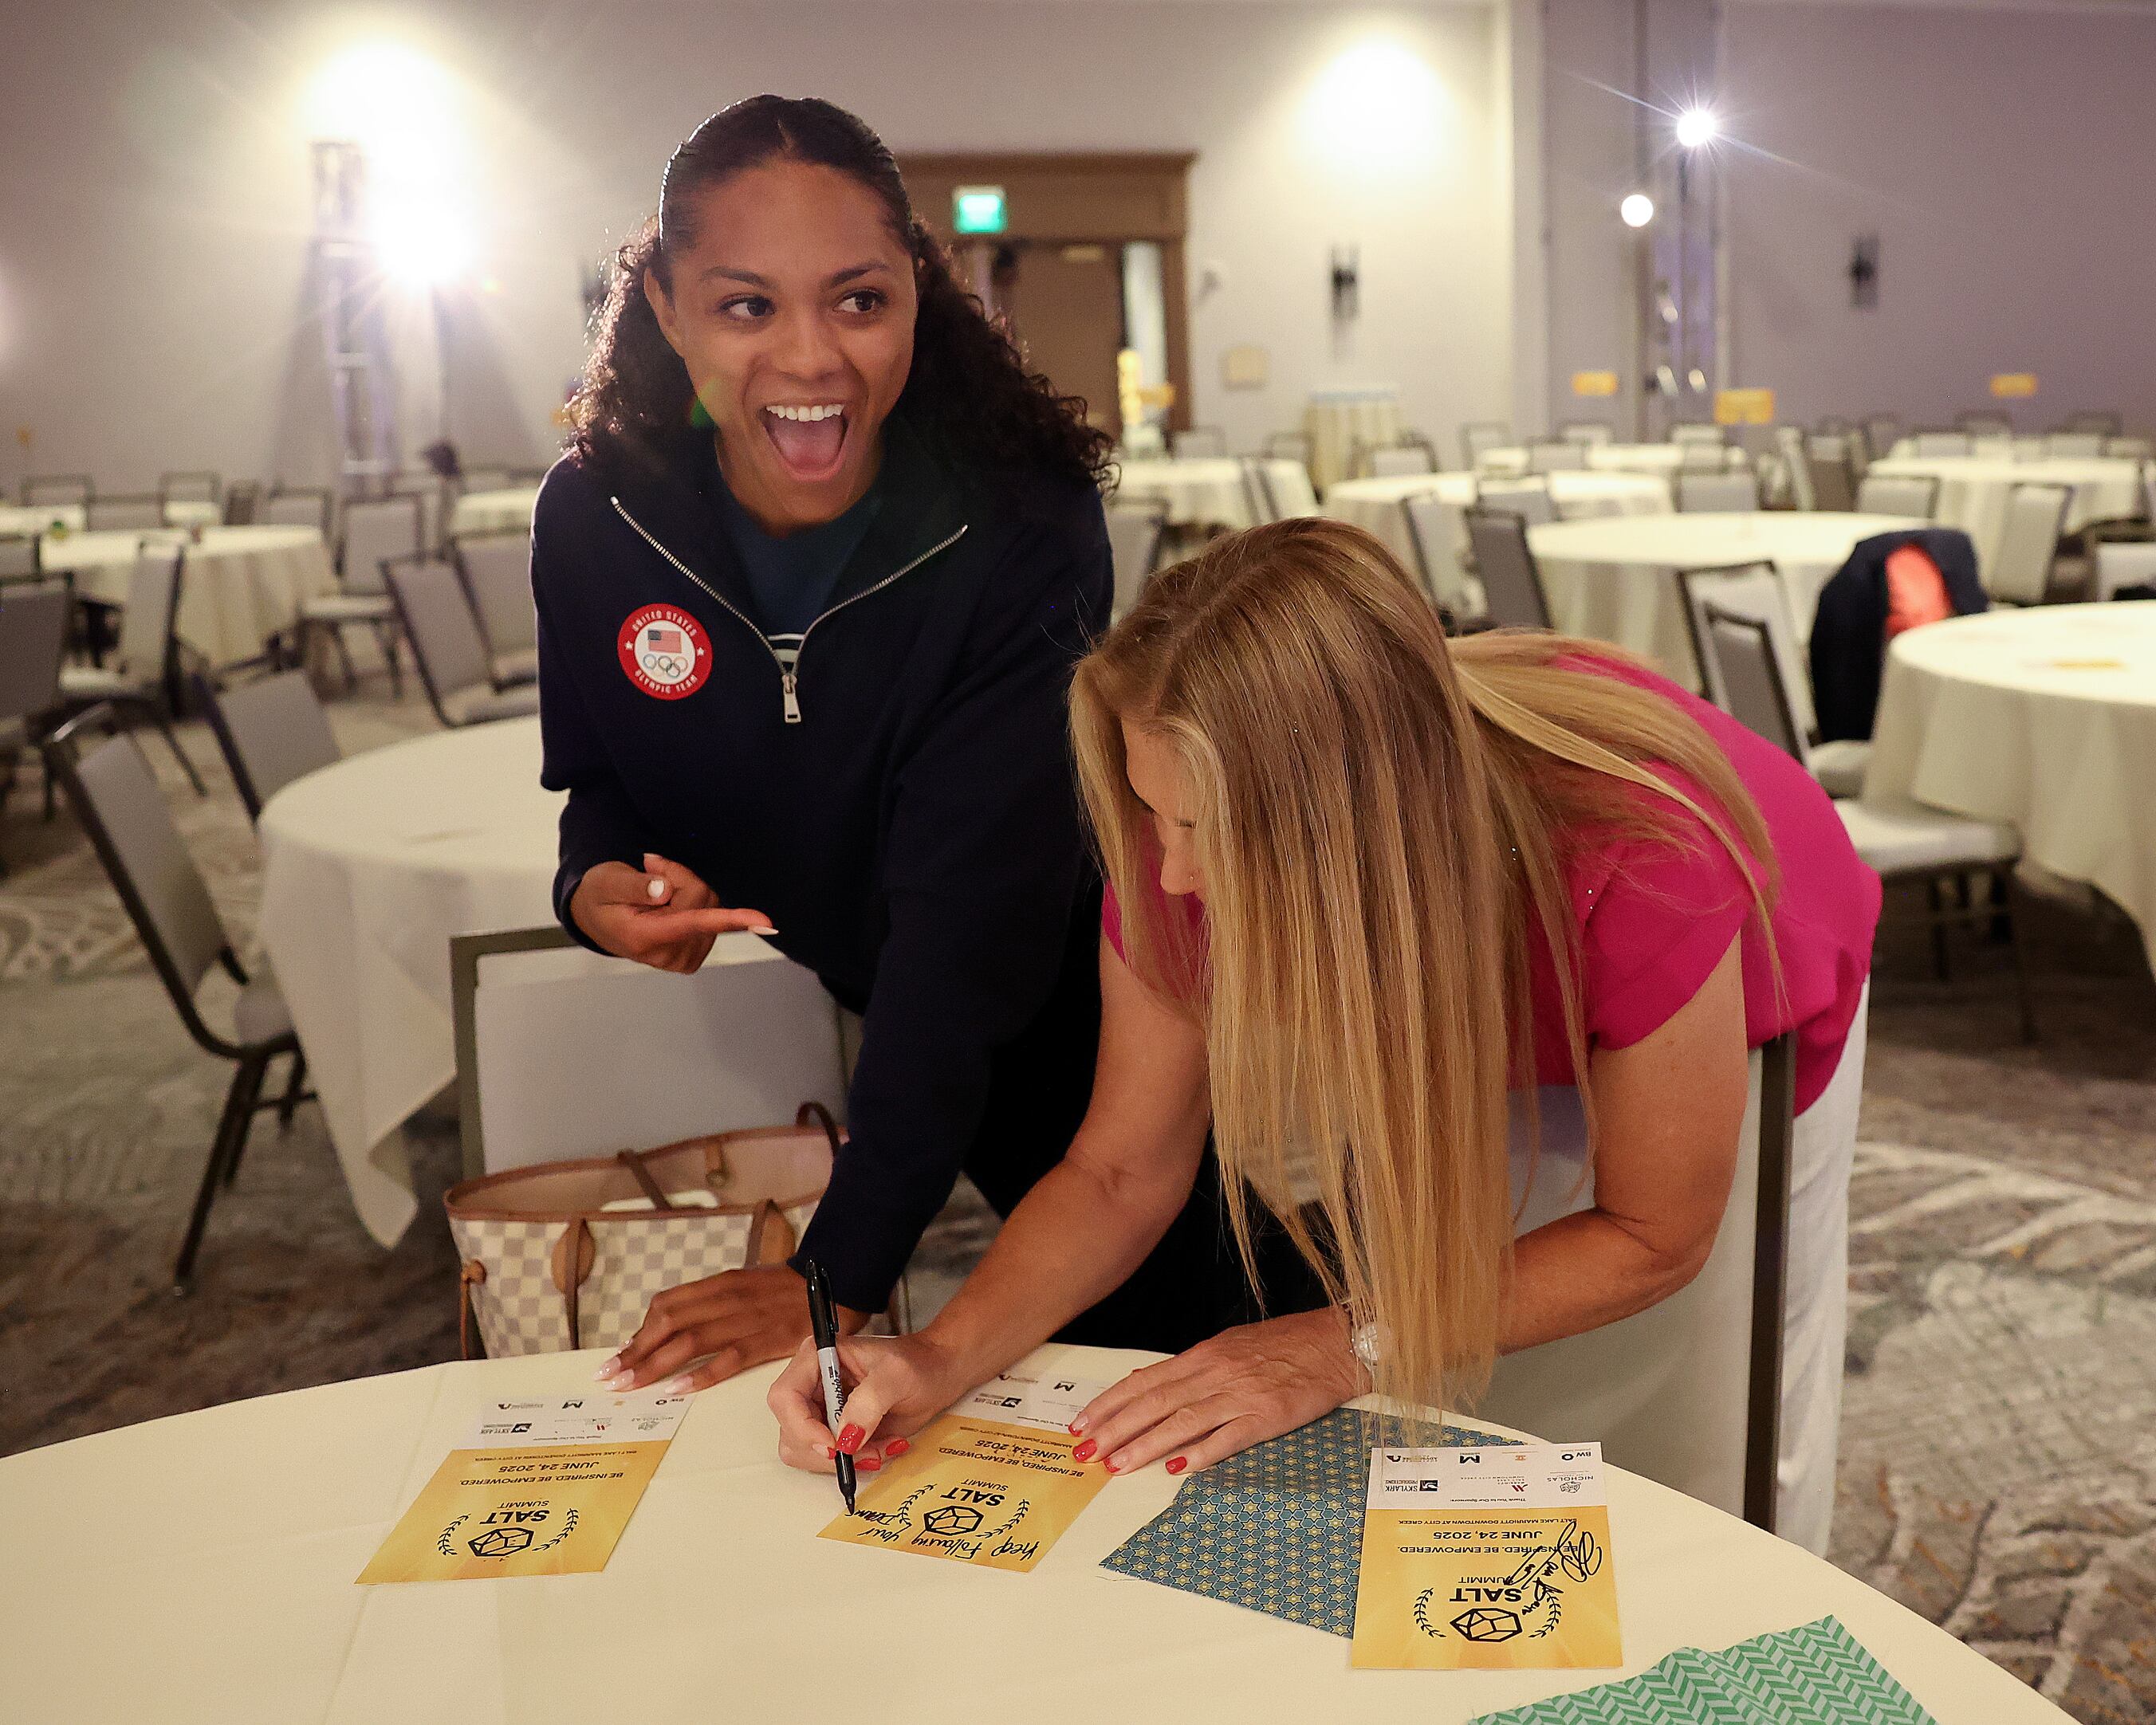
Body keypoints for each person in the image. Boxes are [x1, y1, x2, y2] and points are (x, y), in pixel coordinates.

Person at [770, 517, 1882, 1550]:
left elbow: (1656, 1238)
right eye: (1151, 812)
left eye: (1205, 829)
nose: (1170, 876)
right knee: (1459, 1341)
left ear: (1356, 820)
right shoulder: (1190, 840)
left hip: (1746, 959)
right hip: (1472, 943)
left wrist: (1334, 1342)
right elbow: (1118, 1169)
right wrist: (938, 1353)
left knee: (1700, 1399)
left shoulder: (1641, 858)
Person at [534, 96, 1304, 1401]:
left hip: (1056, 981)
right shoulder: (599, 517)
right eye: (745, 306)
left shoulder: (1016, 526)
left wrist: (825, 1277)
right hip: (845, 973)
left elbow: (965, 938)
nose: (810, 358)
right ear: (664, 305)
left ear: (916, 297)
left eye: (857, 301)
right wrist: (593, 879)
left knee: (1195, 1332)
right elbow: (601, 768)